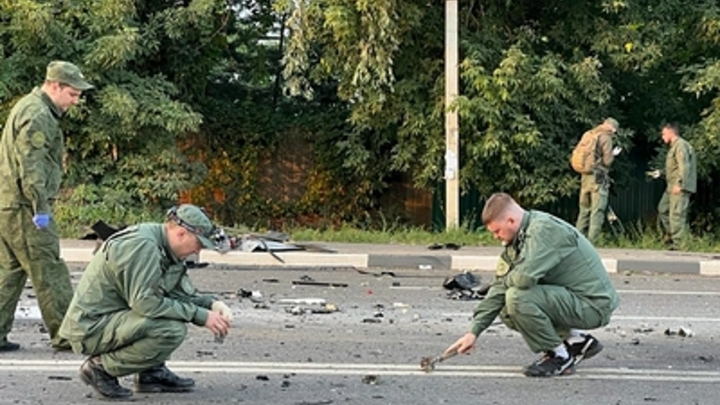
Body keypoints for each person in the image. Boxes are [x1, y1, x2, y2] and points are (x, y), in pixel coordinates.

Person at [58, 204, 234, 399]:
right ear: (182, 233)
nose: (198, 251)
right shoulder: (143, 246)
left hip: (114, 319)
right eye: (198, 244)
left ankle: (151, 373)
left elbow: (179, 294)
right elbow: (146, 303)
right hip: (90, 328)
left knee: (171, 314)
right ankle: (100, 369)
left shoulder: (168, 249)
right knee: (170, 329)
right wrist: (199, 316)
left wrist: (212, 305)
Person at [445, 193, 619, 377]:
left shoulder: (544, 231)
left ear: (511, 220)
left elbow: (522, 279)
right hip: (572, 298)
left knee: (517, 297)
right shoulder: (518, 239)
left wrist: (504, 282)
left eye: (497, 231)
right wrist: (473, 332)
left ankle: (559, 356)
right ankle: (575, 340)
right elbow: (499, 287)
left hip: (593, 305)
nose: (496, 237)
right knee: (505, 304)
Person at [0, 61, 94, 352]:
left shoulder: (28, 107)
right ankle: (68, 334)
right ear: (55, 86)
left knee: (10, 271)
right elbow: (32, 166)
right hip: (26, 207)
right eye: (73, 94)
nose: (76, 101)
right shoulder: (38, 114)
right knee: (49, 270)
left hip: (9, 205)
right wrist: (40, 207)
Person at [575, 117, 622, 243]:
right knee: (598, 210)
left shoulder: (589, 134)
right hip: (598, 176)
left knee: (584, 209)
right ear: (612, 128)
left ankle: (578, 241)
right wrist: (613, 154)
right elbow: (607, 161)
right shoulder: (606, 138)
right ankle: (591, 242)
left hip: (585, 176)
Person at [650, 124, 697, 250]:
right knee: (663, 209)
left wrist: (680, 184)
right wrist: (661, 173)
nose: (662, 136)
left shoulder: (680, 145)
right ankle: (672, 236)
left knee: (677, 214)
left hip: (678, 186)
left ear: (671, 132)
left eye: (664, 134)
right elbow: (675, 167)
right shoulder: (674, 147)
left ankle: (679, 244)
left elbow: (684, 166)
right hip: (670, 186)